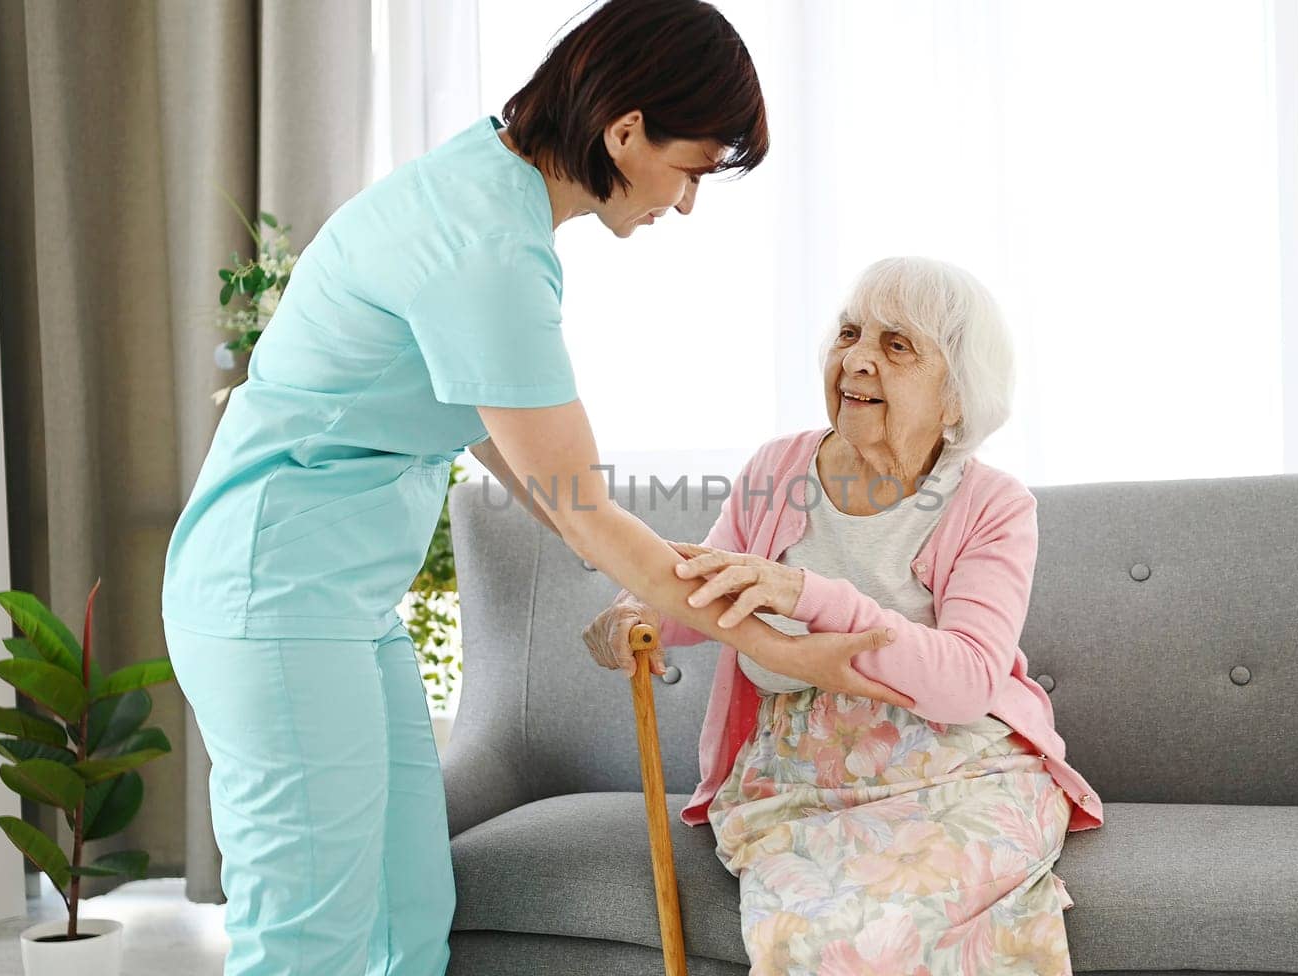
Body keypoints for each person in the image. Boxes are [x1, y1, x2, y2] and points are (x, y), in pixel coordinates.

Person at [161, 3, 909, 973]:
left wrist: (614, 555)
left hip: (340, 604)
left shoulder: (490, 195)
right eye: (690, 169)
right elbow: (582, 503)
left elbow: (526, 465)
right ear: (625, 128)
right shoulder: (486, 246)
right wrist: (787, 652)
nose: (685, 203)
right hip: (275, 599)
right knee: (312, 937)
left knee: (407, 916)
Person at [585, 257, 1106, 975]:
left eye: (897, 346)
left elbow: (967, 683)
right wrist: (639, 610)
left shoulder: (994, 506)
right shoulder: (776, 471)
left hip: (959, 766)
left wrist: (807, 595)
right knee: (823, 939)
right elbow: (707, 588)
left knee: (919, 929)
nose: (857, 359)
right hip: (797, 777)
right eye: (850, 333)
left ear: (956, 395)